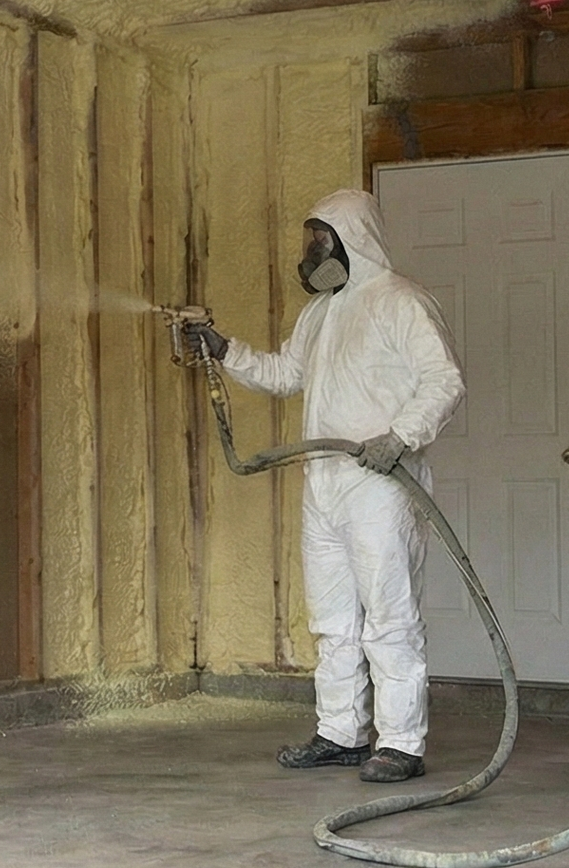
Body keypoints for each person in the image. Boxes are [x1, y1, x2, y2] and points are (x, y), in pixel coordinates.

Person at [181, 188, 465, 783]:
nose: (310, 252)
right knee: (333, 620)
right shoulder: (320, 312)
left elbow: (444, 382)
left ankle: (402, 742)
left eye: (320, 239)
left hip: (382, 484)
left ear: (350, 238)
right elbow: (287, 374)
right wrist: (224, 349)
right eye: (309, 240)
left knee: (390, 617)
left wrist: (401, 438)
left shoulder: (401, 302)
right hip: (326, 486)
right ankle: (340, 732)